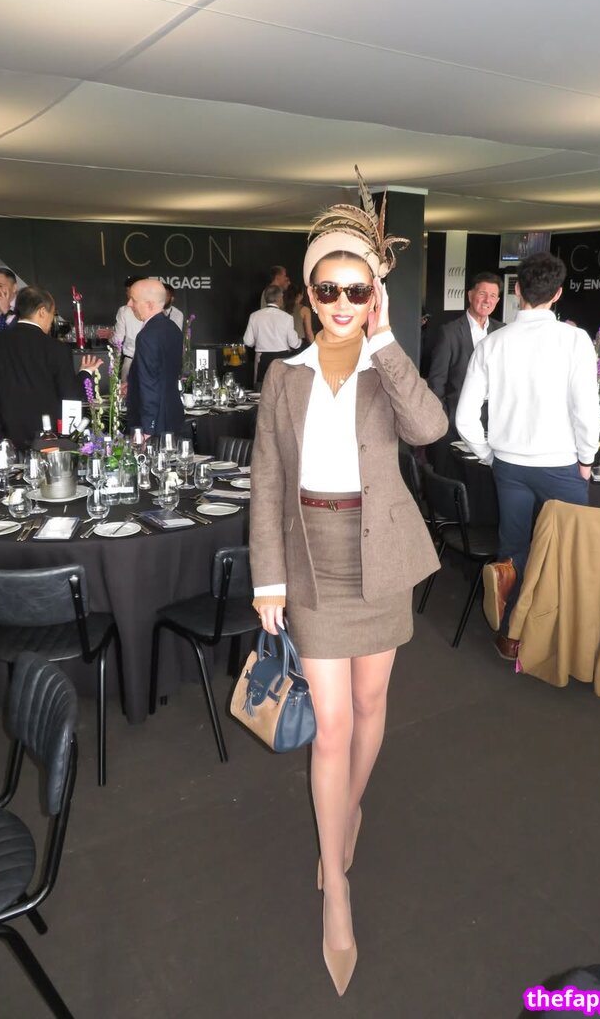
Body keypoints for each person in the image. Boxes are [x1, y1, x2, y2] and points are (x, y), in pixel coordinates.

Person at [250, 172, 447, 997]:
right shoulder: (283, 376)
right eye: (327, 288)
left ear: (374, 295)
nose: (340, 302)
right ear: (308, 293)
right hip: (311, 558)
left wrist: (386, 341)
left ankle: (349, 809)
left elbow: (430, 428)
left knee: (370, 706)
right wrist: (267, 579)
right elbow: (266, 480)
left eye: (356, 290)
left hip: (382, 555)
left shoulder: (384, 366)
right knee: (330, 727)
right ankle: (338, 886)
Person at [456, 252, 600, 661]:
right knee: (570, 551)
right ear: (558, 294)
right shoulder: (575, 340)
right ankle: (562, 639)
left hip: (510, 466)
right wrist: (587, 459)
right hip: (562, 466)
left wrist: (489, 456)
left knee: (514, 547)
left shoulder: (493, 343)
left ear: (516, 290)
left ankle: (511, 636)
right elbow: (586, 410)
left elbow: (464, 418)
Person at [0, 286, 102, 449]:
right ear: (42, 311)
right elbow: (70, 396)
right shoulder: (56, 348)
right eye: (52, 314)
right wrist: (86, 373)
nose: (52, 320)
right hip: (48, 437)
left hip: (6, 436)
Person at [427, 271, 504, 472]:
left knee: (486, 476)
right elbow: (436, 382)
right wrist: (445, 420)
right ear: (470, 295)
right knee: (456, 473)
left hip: (494, 421)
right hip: (456, 420)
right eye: (482, 293)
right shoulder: (450, 332)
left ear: (497, 300)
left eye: (493, 296)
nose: (487, 300)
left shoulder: (502, 332)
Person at [125, 278, 184, 439]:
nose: (129, 304)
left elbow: (149, 384)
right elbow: (162, 373)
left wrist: (147, 429)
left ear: (150, 304)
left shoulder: (147, 336)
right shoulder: (173, 328)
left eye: (133, 300)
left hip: (154, 424)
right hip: (172, 415)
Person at [243, 284, 299, 384]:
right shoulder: (287, 317)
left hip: (262, 358)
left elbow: (247, 341)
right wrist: (300, 342)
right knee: (281, 388)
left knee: (262, 388)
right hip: (282, 358)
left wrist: (259, 340)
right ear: (280, 298)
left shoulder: (254, 316)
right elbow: (294, 344)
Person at [114, 275, 147, 383]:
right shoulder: (156, 309)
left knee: (127, 392)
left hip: (131, 362)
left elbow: (117, 340)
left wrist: (110, 336)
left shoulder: (124, 310)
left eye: (128, 291)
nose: (127, 294)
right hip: (152, 363)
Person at [283, 284, 314, 348]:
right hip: (299, 344)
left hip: (284, 344)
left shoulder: (281, 308)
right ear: (299, 295)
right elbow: (308, 333)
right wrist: (314, 347)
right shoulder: (304, 310)